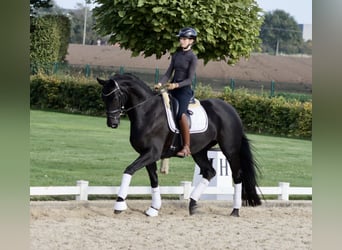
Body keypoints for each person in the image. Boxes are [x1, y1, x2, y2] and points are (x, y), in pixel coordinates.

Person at [155, 27, 198, 157]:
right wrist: (160, 83)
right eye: (181, 38)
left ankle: (186, 147)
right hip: (171, 89)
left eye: (184, 39)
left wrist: (176, 85)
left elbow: (190, 79)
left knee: (180, 115)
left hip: (183, 91)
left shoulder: (193, 57)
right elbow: (169, 72)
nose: (182, 41)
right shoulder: (176, 55)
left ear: (191, 41)